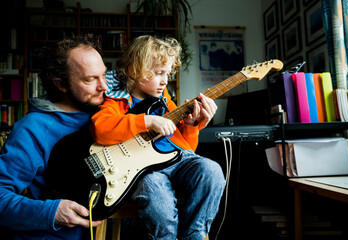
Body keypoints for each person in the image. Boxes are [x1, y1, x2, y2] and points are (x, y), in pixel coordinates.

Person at [91, 35, 226, 240]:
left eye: (168, 73)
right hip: (145, 171)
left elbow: (188, 148)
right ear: (133, 71)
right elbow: (100, 128)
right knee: (153, 187)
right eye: (158, 73)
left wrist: (191, 126)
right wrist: (147, 121)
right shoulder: (117, 100)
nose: (165, 80)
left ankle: (195, 234)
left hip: (178, 161)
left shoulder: (166, 101)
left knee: (212, 170)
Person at [0, 34, 107, 239]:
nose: (104, 87)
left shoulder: (109, 116)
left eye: (104, 75)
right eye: (90, 79)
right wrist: (52, 212)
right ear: (61, 84)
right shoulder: (32, 129)